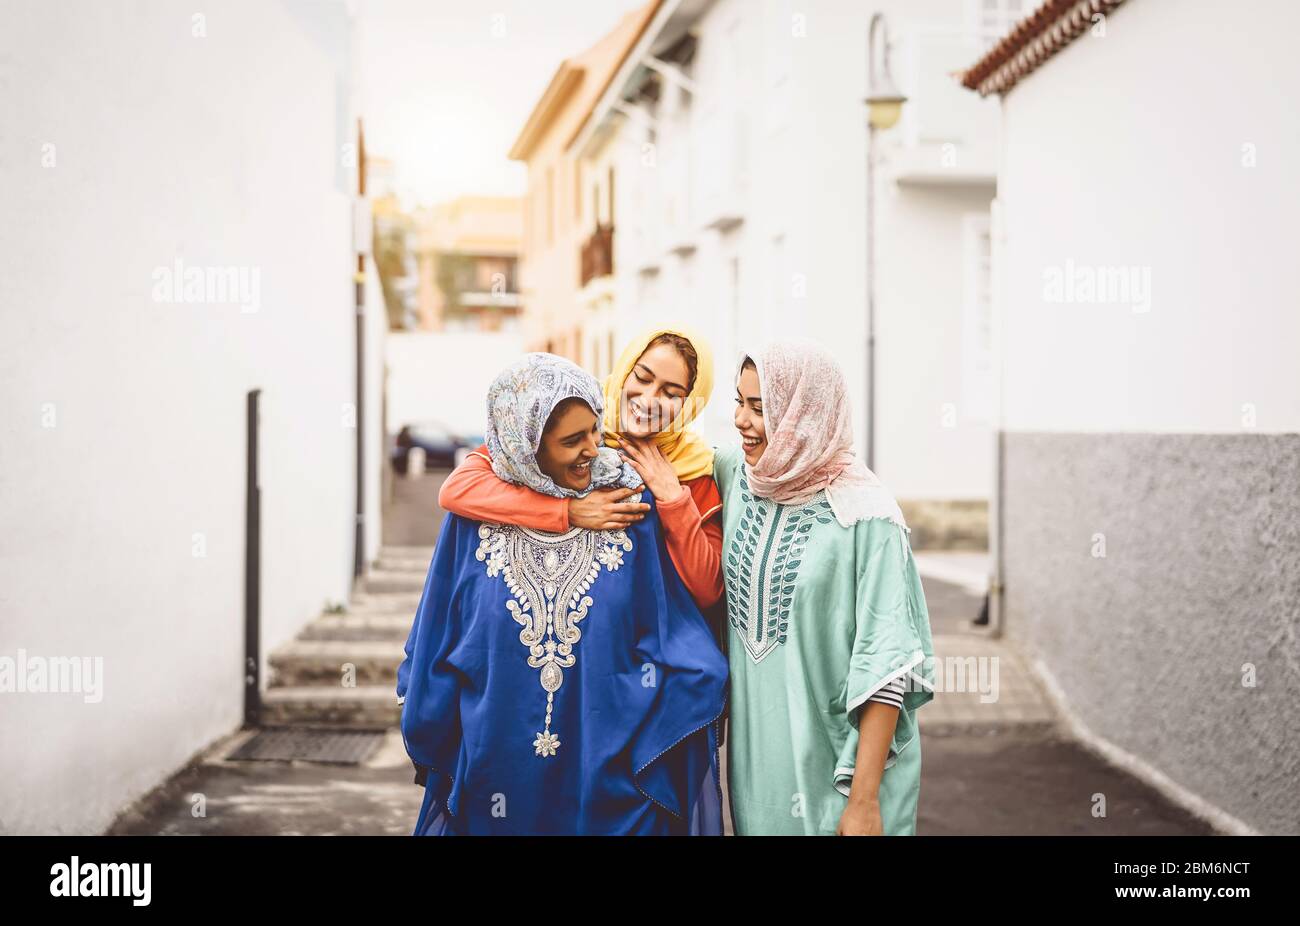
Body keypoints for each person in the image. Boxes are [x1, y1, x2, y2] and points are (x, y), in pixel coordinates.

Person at [396, 352, 728, 835]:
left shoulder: (633, 503)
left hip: (605, 767)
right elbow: (437, 637)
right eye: (572, 440)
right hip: (494, 762)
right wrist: (566, 513)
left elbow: (675, 619)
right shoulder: (475, 512)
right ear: (526, 445)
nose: (595, 448)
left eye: (595, 431)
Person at [718, 339, 936, 836]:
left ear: (804, 415)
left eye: (760, 407)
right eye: (739, 401)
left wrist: (863, 802)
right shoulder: (738, 475)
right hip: (759, 773)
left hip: (841, 774)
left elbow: (886, 664)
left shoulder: (867, 516)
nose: (741, 420)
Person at [436, 326, 724, 612]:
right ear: (625, 371)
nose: (648, 399)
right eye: (642, 378)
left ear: (690, 405)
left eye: (671, 393)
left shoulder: (691, 468)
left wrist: (674, 499)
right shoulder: (577, 412)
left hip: (630, 643)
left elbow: (708, 589)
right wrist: (568, 511)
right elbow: (458, 489)